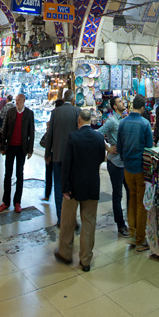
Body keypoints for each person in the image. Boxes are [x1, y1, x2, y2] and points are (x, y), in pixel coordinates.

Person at [54, 109, 106, 271]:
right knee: (89, 222)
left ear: (79, 121)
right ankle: (85, 260)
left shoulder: (73, 137)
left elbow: (67, 163)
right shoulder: (99, 137)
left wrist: (65, 187)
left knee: (68, 221)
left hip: (73, 187)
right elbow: (100, 159)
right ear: (90, 121)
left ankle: (65, 252)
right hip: (92, 185)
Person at [116, 93, 153, 251]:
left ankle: (132, 234)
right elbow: (149, 149)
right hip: (140, 169)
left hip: (127, 168)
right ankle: (140, 239)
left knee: (131, 199)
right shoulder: (145, 124)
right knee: (141, 203)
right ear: (143, 108)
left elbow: (119, 147)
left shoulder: (123, 123)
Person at [45, 89, 80, 226]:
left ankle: (61, 218)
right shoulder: (77, 112)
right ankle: (72, 218)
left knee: (59, 187)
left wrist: (47, 154)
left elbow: (50, 135)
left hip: (58, 155)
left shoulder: (55, 113)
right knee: (72, 187)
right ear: (73, 99)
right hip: (72, 157)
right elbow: (79, 133)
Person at [0, 93, 34, 214]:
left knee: (19, 174)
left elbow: (31, 133)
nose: (16, 102)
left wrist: (30, 150)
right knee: (7, 174)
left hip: (21, 148)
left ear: (23, 101)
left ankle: (17, 202)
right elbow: (5, 129)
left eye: (18, 100)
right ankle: (6, 201)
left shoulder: (29, 114)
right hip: (10, 147)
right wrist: (2, 146)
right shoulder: (11, 112)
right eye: (16, 100)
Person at [97, 95, 129, 236]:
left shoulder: (125, 119)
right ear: (115, 106)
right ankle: (120, 225)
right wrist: (107, 148)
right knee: (117, 195)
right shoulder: (111, 121)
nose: (123, 102)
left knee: (130, 192)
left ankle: (130, 221)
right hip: (115, 163)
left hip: (125, 162)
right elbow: (98, 134)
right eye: (120, 101)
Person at [42, 99, 63, 203]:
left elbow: (49, 137)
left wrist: (47, 154)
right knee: (59, 177)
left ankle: (47, 195)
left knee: (49, 174)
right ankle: (59, 196)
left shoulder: (54, 117)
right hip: (60, 152)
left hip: (52, 151)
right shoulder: (63, 118)